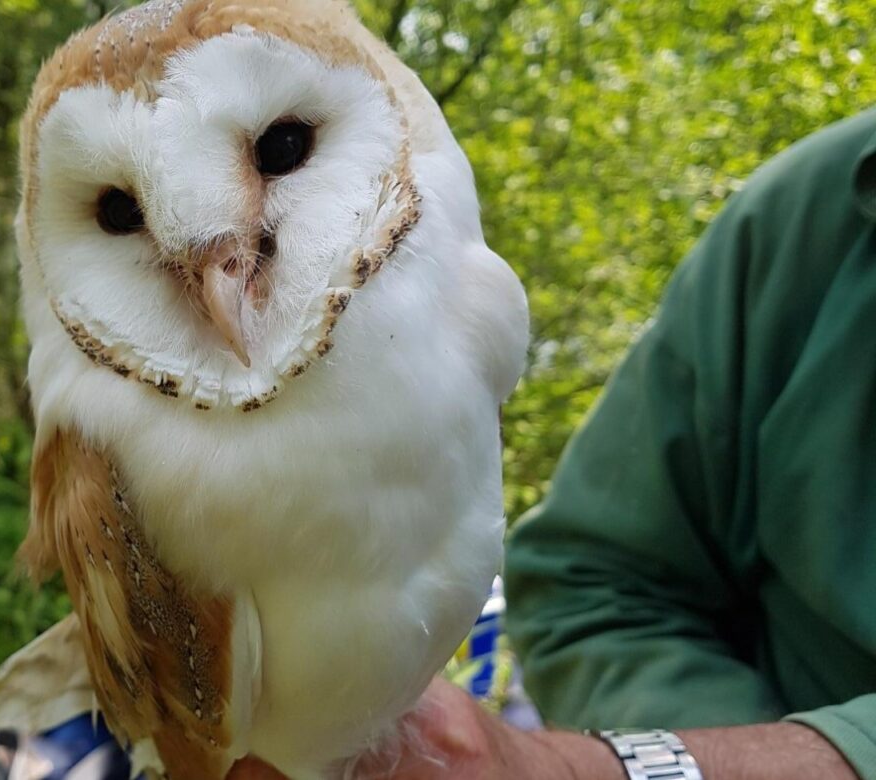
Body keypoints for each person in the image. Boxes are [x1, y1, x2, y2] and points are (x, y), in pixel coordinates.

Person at [230, 109, 876, 779]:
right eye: (119, 214)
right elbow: (596, 582)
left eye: (283, 150)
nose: (222, 275)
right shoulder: (809, 218)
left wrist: (610, 770)